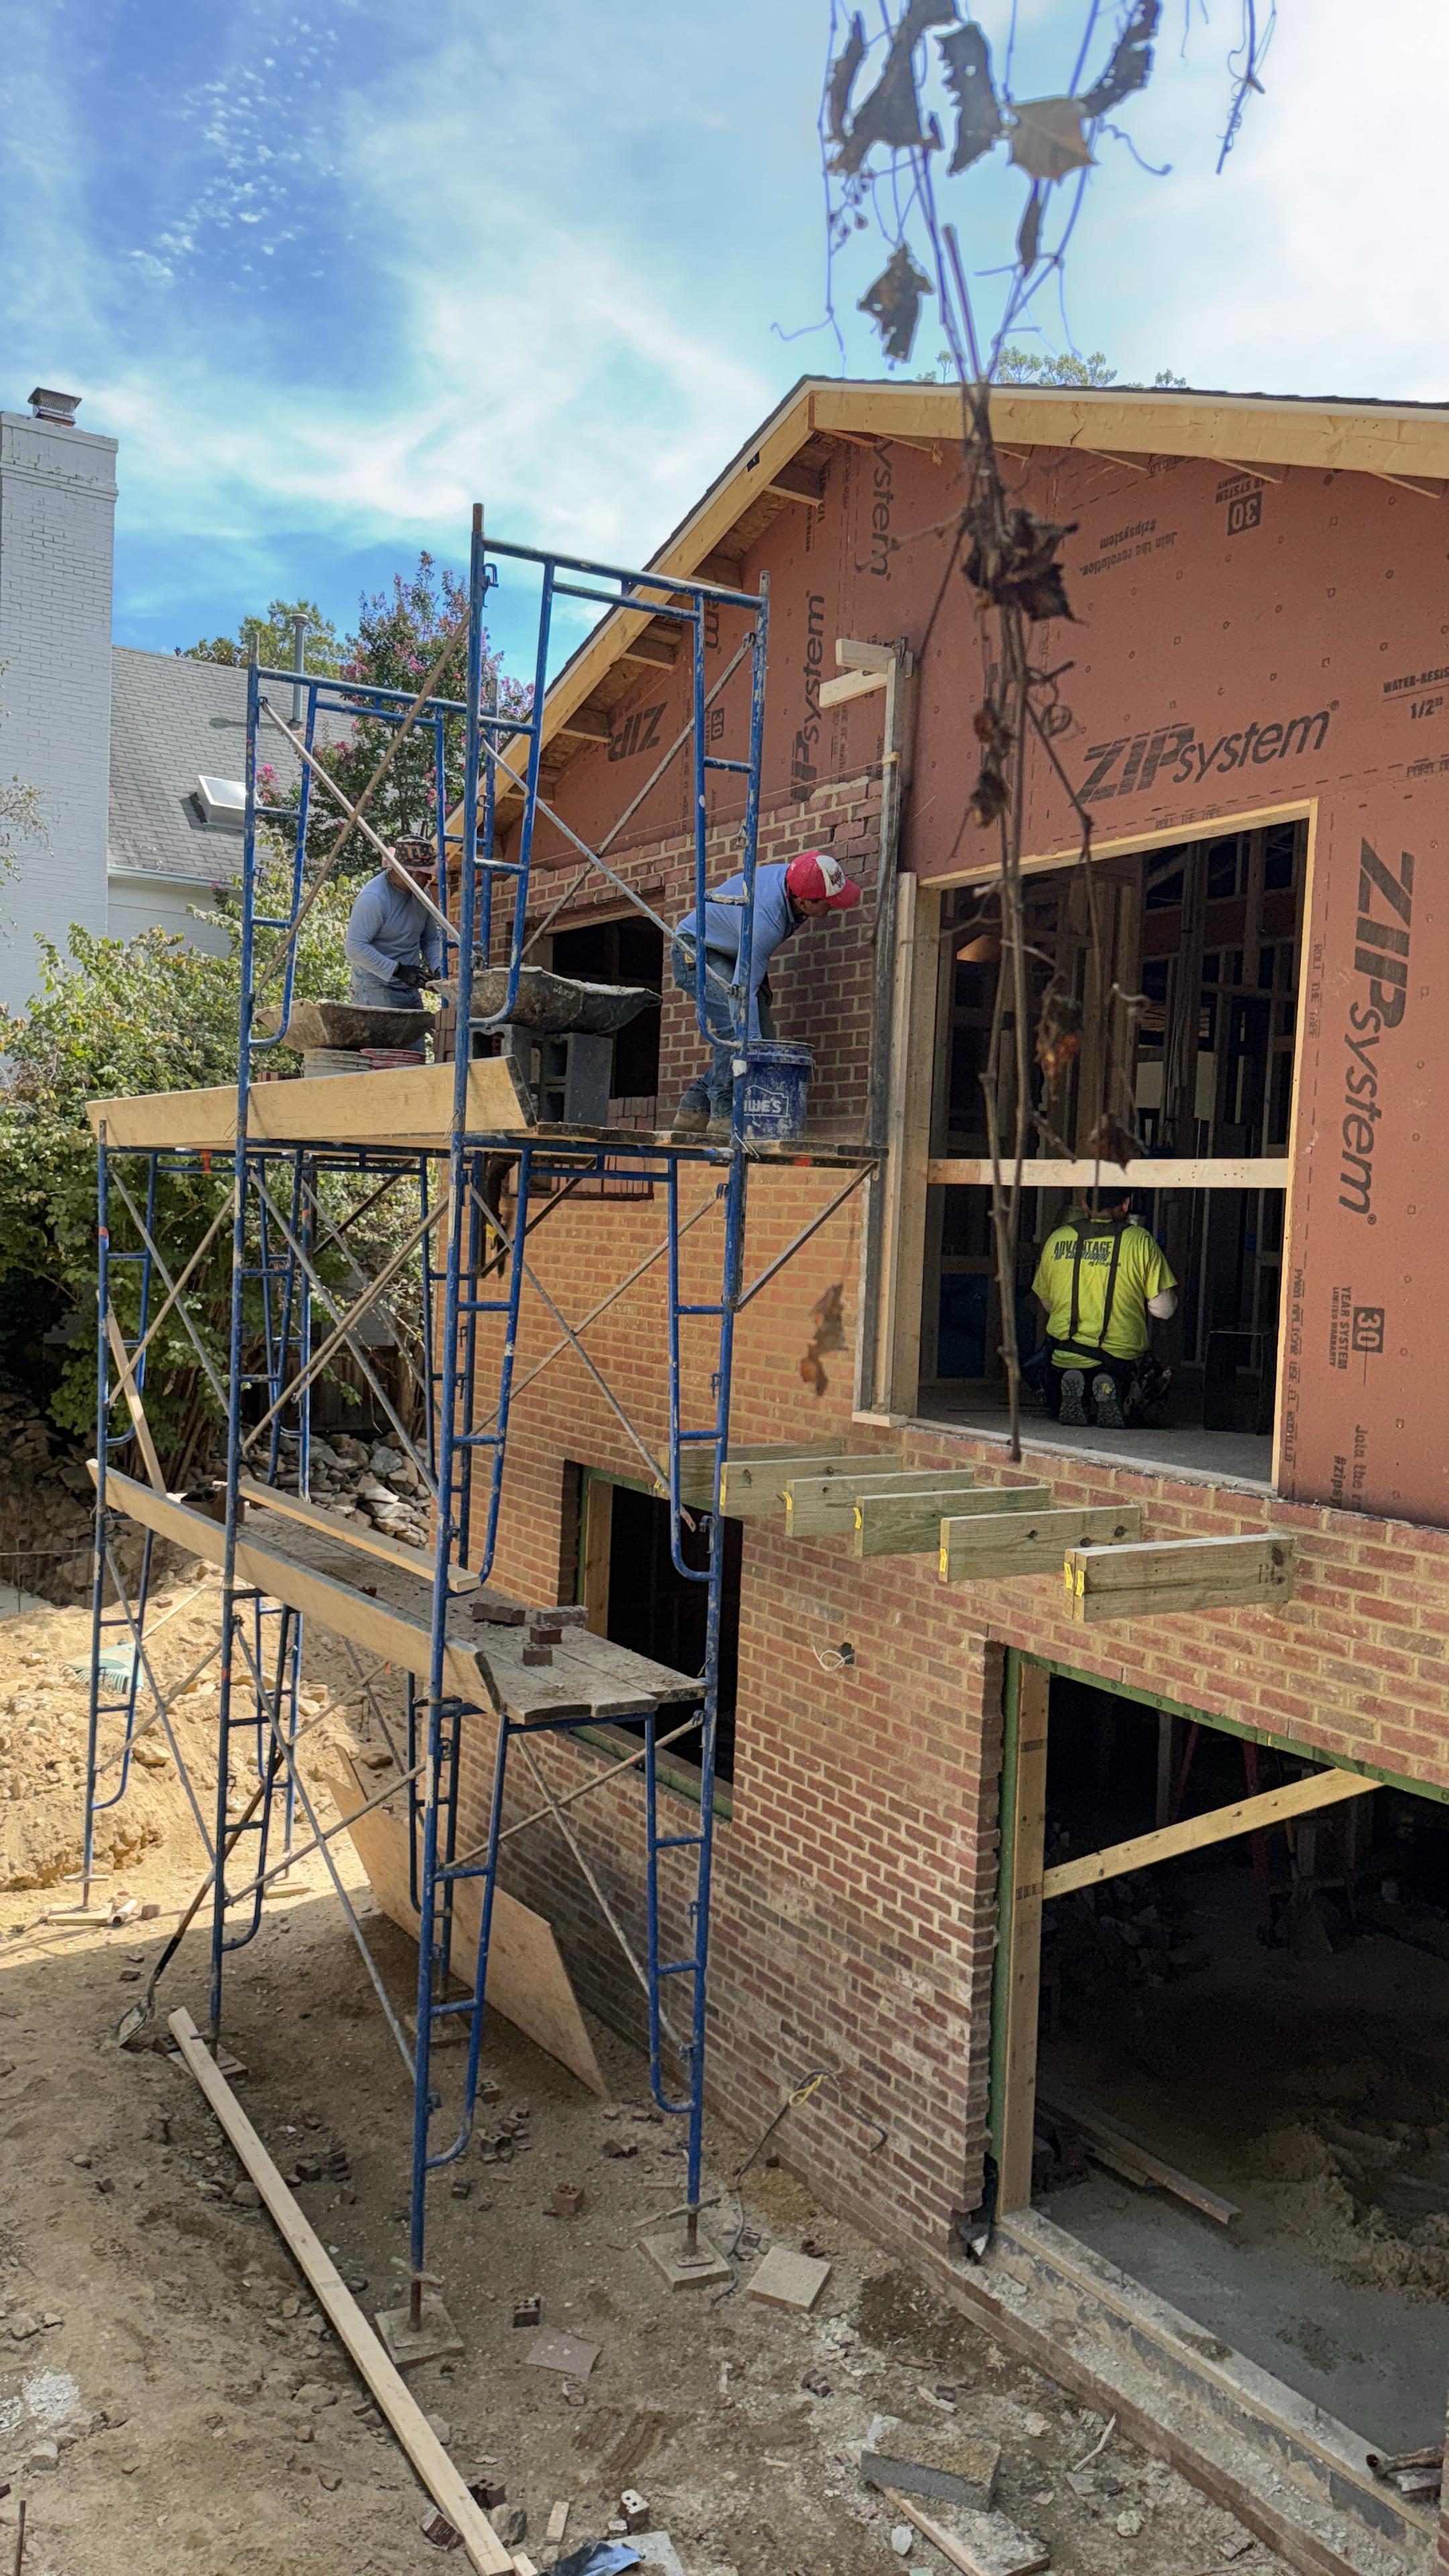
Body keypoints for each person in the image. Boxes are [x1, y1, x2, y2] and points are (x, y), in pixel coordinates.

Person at [669, 849, 861, 1138]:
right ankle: (723, 1114)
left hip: (731, 952)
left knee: (763, 1039)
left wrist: (758, 1047)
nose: (832, 908)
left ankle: (694, 1109)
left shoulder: (798, 879)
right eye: (828, 903)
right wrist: (752, 1050)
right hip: (695, 951)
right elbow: (740, 993)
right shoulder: (766, 920)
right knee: (738, 1031)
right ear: (802, 902)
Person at [1030, 1194, 1177, 1431]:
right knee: (1149, 1392)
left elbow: (1047, 1303)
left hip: (1064, 1354)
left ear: (1085, 1204)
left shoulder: (1058, 1238)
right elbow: (1164, 1310)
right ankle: (1110, 1387)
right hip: (1120, 1360)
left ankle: (1073, 1387)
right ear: (1126, 1204)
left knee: (1056, 1380)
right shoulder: (1140, 1241)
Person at [344, 840, 444, 1009]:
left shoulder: (423, 895)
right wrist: (398, 970)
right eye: (425, 873)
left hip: (409, 987)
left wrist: (438, 968)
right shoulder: (374, 898)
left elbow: (430, 940)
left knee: (416, 1027)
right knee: (387, 1028)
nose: (430, 878)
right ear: (409, 873)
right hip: (375, 988)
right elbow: (354, 947)